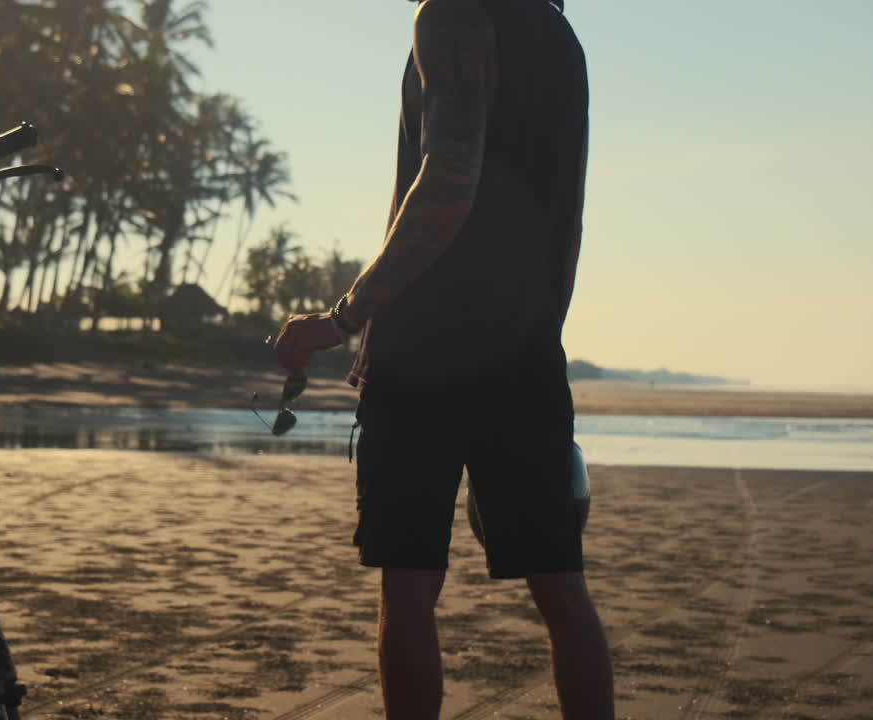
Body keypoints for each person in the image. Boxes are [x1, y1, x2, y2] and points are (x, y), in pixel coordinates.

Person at [273, 0, 613, 717]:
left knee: (408, 587)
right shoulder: (559, 35)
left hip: (424, 361)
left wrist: (345, 317)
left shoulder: (451, 14)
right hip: (524, 355)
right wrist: (539, 334)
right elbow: (569, 223)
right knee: (560, 586)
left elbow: (449, 180)